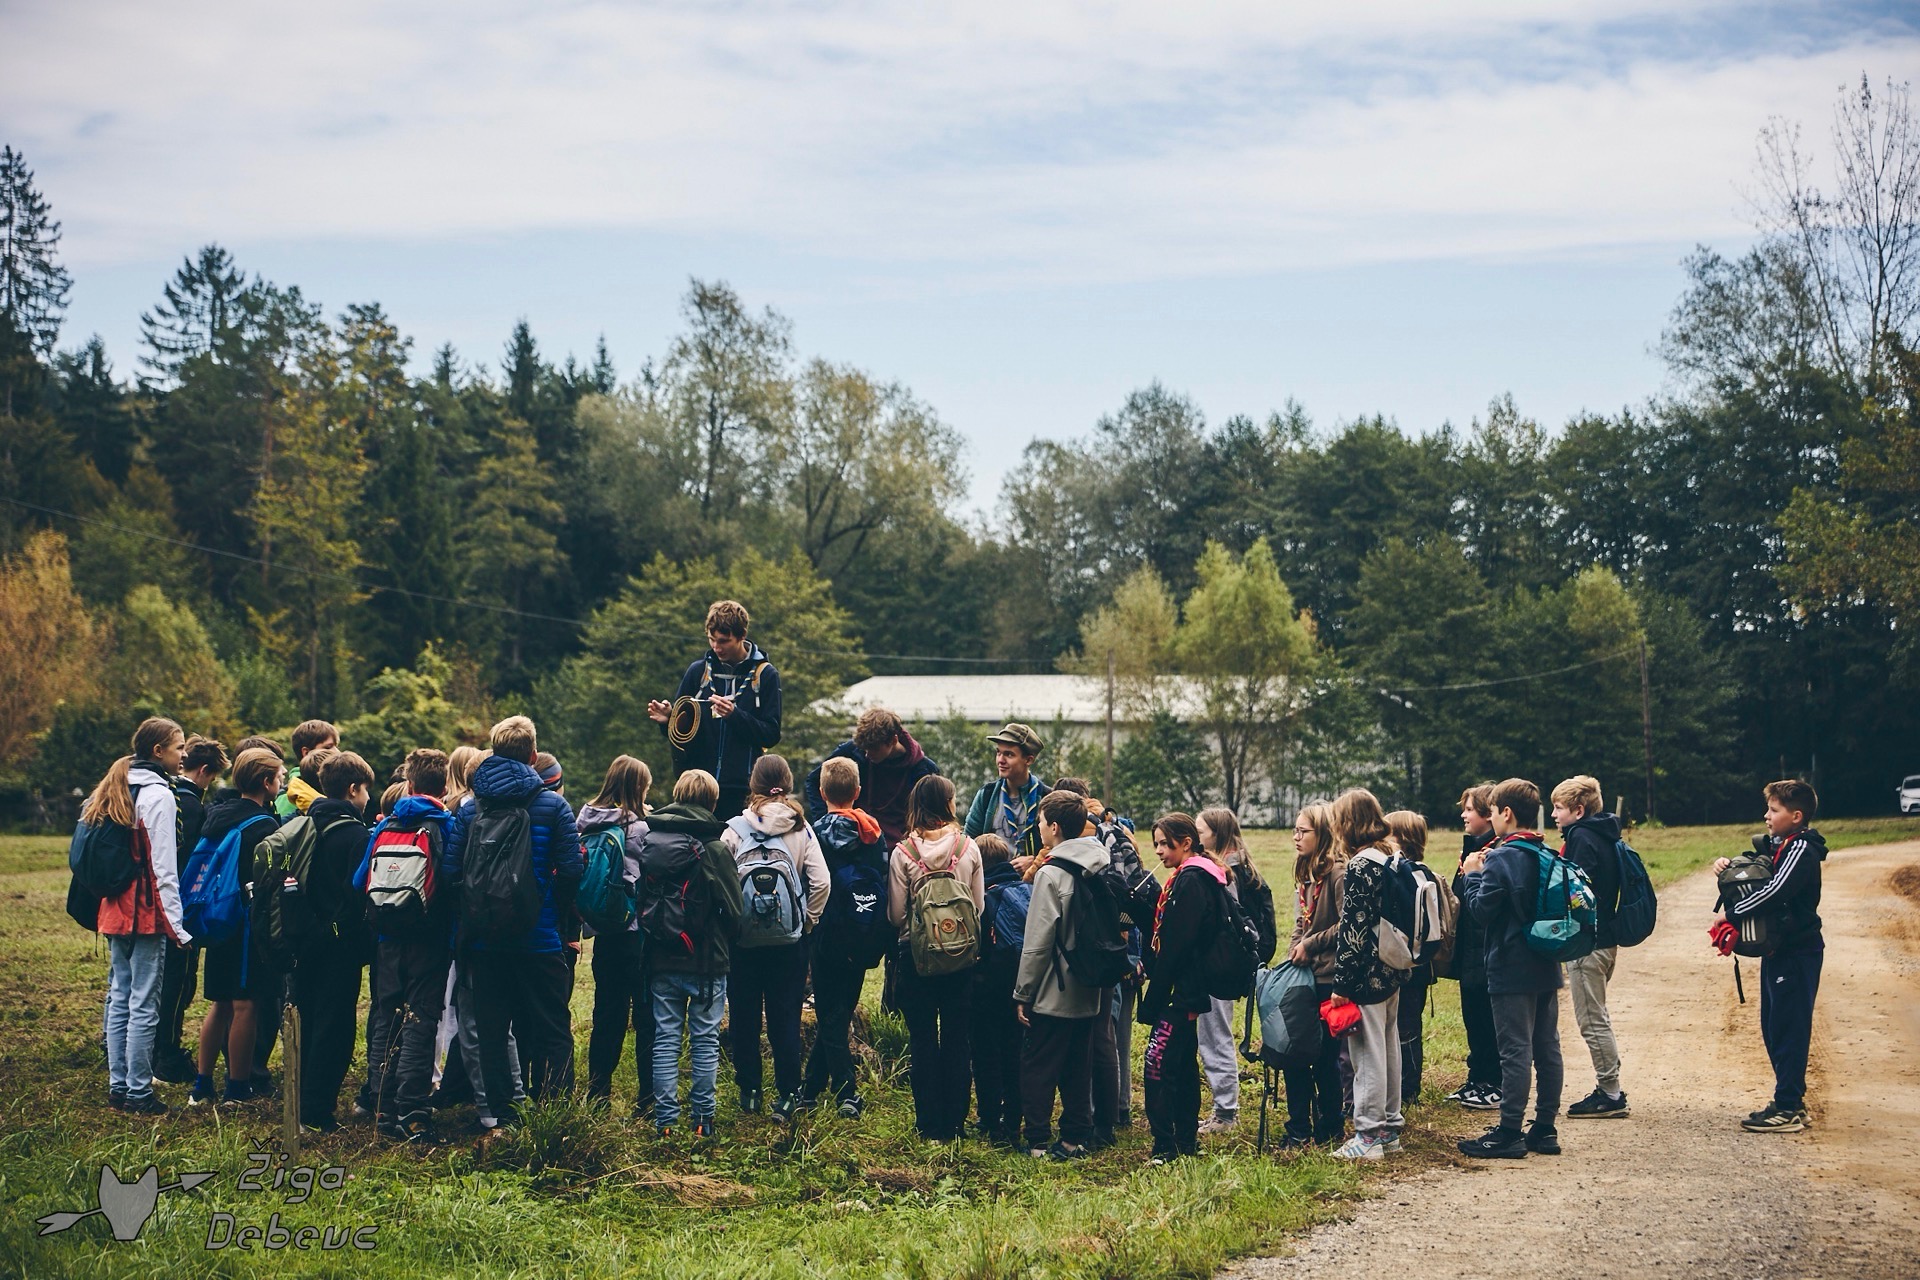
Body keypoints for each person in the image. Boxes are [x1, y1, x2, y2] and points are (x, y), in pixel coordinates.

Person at [446, 716, 584, 1129]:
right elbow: (572, 870)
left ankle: (504, 1118)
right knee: (553, 1026)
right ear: (533, 755)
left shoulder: (471, 809)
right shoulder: (554, 806)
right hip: (539, 938)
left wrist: (476, 913)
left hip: (485, 941)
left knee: (491, 1029)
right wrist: (551, 911)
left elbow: (451, 871)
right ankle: (556, 1115)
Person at [1459, 777, 1564, 1160]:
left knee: (1515, 1050)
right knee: (1547, 1048)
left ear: (1506, 813)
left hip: (1510, 965)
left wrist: (1472, 874)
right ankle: (1544, 1128)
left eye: (1491, 811)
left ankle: (1509, 1132)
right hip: (1546, 961)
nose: (1489, 818)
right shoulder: (1545, 852)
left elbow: (1481, 911)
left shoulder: (1502, 857)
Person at [1714, 779, 1827, 1133]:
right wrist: (1727, 866)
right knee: (1773, 1026)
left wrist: (1732, 915)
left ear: (1796, 816)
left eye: (1774, 810)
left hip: (1798, 952)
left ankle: (1788, 1106)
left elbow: (1776, 890)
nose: (1766, 816)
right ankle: (1790, 1101)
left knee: (1788, 1028)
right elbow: (1757, 868)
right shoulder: (1783, 845)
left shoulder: (1801, 849)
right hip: (1781, 951)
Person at [89, 718, 190, 1114]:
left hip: (115, 906)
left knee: (119, 997)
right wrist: (177, 926)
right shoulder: (159, 795)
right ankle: (138, 1091)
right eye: (179, 747)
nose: (184, 755)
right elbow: (163, 868)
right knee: (145, 1002)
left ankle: (118, 1086)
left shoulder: (115, 786)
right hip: (145, 911)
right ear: (157, 751)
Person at [357, 748, 457, 1143]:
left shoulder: (385, 826)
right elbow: (453, 881)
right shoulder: (447, 826)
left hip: (387, 938)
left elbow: (359, 881)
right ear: (444, 788)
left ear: (409, 785)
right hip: (430, 939)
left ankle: (382, 1106)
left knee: (387, 1018)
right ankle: (413, 1110)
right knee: (421, 1020)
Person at [722, 754, 830, 1119]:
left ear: (752, 785)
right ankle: (787, 1093)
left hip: (743, 942)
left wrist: (732, 924)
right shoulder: (801, 829)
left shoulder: (734, 829)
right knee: (785, 1016)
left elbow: (721, 882)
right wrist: (807, 921)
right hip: (789, 942)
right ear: (788, 785)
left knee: (744, 1014)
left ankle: (749, 1090)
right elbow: (821, 882)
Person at [644, 769, 744, 1139]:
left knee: (665, 1039)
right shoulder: (714, 849)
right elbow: (734, 910)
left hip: (661, 956)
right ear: (712, 803)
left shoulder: (651, 841)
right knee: (704, 1041)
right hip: (706, 961)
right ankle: (703, 1121)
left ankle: (665, 1123)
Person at [1012, 790, 1111, 1160]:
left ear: (1053, 827)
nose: (1038, 827)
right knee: (1077, 1067)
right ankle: (1074, 1138)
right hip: (1089, 983)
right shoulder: (1098, 862)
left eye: (1040, 822)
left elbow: (1038, 942)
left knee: (1038, 1064)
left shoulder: (1051, 873)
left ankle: (1037, 1141)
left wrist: (1024, 992)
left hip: (1055, 986)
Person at [890, 774, 985, 1142]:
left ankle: (928, 1124)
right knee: (958, 1039)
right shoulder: (968, 847)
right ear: (948, 803)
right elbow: (978, 907)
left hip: (917, 958)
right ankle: (955, 1123)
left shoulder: (904, 853)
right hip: (962, 957)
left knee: (923, 1040)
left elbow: (896, 915)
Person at [190, 746, 283, 1106]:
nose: (281, 782)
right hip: (246, 924)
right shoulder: (264, 825)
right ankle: (238, 1087)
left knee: (220, 1004)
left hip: (217, 919)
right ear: (266, 781)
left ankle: (202, 1085)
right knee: (246, 1005)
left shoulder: (217, 815)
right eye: (279, 776)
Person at [802, 757, 891, 1117]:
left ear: (822, 792)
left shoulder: (812, 834)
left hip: (825, 935)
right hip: (862, 933)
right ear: (857, 791)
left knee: (830, 1015)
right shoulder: (874, 834)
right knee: (837, 1013)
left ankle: (845, 1094)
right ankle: (810, 1089)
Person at [1326, 788, 1411, 1161]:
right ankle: (1389, 1127)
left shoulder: (1360, 866)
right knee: (1388, 1047)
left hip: (1365, 975)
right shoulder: (1389, 857)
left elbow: (1354, 930)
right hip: (1391, 968)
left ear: (1347, 823)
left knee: (1367, 1053)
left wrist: (1342, 984)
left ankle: (1368, 1134)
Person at [294, 750, 376, 1131]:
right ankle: (317, 1109)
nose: (368, 798)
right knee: (336, 1025)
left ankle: (299, 1096)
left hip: (302, 939)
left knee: (307, 1019)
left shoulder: (302, 826)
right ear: (353, 789)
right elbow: (359, 894)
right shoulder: (356, 835)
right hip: (340, 944)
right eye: (366, 791)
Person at [1139, 812, 1227, 1164]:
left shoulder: (1191, 880)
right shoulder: (1191, 876)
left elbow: (1177, 944)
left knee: (1157, 1066)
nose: (1159, 851)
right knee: (1182, 1065)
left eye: (1165, 843)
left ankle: (1166, 1145)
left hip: (1178, 992)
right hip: (1184, 991)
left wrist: (1155, 997)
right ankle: (1185, 1139)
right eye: (1156, 844)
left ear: (1186, 842)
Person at [648, 599, 783, 823]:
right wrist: (669, 721)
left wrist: (735, 716)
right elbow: (682, 738)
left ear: (742, 636)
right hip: (697, 788)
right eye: (712, 640)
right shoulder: (697, 672)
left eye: (724, 641)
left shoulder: (766, 675)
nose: (716, 647)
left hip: (741, 790)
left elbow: (771, 734)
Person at [579, 755, 655, 1117]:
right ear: (639, 788)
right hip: (636, 934)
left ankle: (598, 1094)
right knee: (646, 1016)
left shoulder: (586, 822)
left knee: (606, 1014)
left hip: (605, 931)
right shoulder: (639, 830)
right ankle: (648, 1098)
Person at [1553, 775, 1629, 1120]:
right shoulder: (1603, 833)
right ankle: (1609, 1087)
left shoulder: (1582, 838)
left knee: (1591, 1019)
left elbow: (1576, 892)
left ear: (1579, 810)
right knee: (1597, 1015)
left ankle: (1610, 1093)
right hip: (1605, 940)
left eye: (1559, 808)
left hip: (1587, 944)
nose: (1554, 815)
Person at [153, 735, 228, 1085]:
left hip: (154, 905)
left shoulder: (165, 795)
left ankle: (152, 1049)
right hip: (181, 907)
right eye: (212, 777)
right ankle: (166, 1055)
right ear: (204, 771)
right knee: (178, 983)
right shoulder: (192, 806)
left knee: (156, 982)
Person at [1194, 807, 1271, 1134]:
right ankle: (1224, 1109)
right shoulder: (1241, 865)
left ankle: (1225, 1113)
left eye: (1200, 831)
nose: (1196, 836)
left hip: (1219, 966)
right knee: (1215, 1034)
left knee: (1215, 1036)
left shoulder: (1225, 872)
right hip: (1230, 965)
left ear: (1218, 834)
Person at [1280, 802, 1346, 1147]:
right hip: (1304, 978)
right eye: (1295, 830)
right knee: (1294, 1054)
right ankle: (1298, 1127)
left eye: (1303, 831)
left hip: (1328, 979)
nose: (1296, 836)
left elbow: (1347, 925)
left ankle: (1331, 1126)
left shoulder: (1338, 874)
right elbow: (1301, 921)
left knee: (1324, 1059)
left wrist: (1311, 944)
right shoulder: (1306, 871)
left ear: (1322, 834)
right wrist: (1294, 949)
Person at [804, 707, 942, 846]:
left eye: (874, 749)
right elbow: (814, 781)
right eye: (865, 749)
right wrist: (826, 825)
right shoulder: (855, 752)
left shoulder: (923, 770)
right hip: (856, 846)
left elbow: (933, 817)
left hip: (901, 850)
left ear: (893, 741)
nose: (867, 754)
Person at [1445, 783, 1502, 1113]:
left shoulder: (1492, 853)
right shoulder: (1471, 850)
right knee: (1473, 1019)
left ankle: (1494, 1084)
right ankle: (1476, 1078)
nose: (1463, 815)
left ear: (1488, 814)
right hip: (1468, 952)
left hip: (1485, 952)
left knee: (1487, 1021)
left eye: (1469, 809)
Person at [971, 833, 1026, 1146]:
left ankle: (990, 1118)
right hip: (1022, 987)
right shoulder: (1027, 891)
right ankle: (1015, 1118)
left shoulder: (983, 898)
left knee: (985, 1053)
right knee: (1014, 1052)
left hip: (987, 988)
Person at [1384, 809, 1438, 1106]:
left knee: (1406, 1028)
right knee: (1405, 1025)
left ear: (1401, 839)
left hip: (1410, 963)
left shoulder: (1410, 875)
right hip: (1418, 963)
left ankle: (1408, 1089)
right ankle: (1403, 1085)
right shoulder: (1421, 872)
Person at [963, 723, 1050, 860]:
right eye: (998, 753)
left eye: (1009, 754)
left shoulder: (1046, 798)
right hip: (992, 873)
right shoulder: (987, 795)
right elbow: (968, 843)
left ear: (1028, 760)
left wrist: (1034, 862)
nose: (1000, 760)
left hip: (1035, 873)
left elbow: (1058, 847)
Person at [275, 719, 339, 819]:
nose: (337, 752)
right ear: (306, 753)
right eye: (328, 747)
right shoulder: (289, 797)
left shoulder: (335, 786)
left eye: (336, 746)